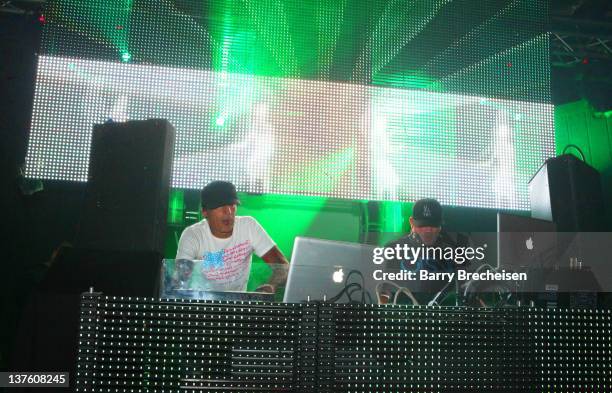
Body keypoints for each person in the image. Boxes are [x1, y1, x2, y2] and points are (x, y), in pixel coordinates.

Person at [176, 180, 288, 293]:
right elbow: (180, 279)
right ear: (205, 211)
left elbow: (283, 267)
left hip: (237, 306)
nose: (228, 211)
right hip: (203, 303)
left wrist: (271, 285)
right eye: (221, 206)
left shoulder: (249, 226)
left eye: (232, 205)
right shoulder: (193, 235)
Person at [381, 198, 465, 304]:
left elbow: (462, 292)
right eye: (422, 225)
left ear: (440, 225)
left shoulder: (452, 253)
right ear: (412, 222)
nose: (428, 229)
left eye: (432, 225)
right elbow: (384, 291)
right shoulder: (393, 249)